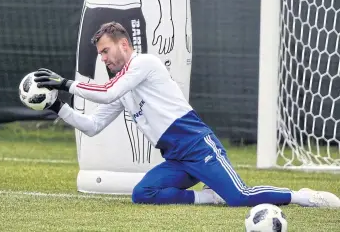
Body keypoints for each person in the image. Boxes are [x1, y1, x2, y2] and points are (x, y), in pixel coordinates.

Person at [34, 22, 340, 208]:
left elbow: (109, 91)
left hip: (197, 144)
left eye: (105, 51)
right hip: (177, 157)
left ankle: (301, 196)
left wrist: (66, 84)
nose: (103, 58)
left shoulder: (144, 64)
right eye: (99, 53)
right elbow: (92, 125)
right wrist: (57, 105)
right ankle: (208, 197)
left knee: (239, 196)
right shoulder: (121, 87)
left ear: (124, 44)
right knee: (143, 193)